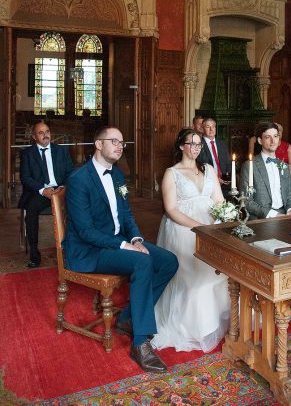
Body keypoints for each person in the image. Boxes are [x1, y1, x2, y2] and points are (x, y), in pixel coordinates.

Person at [63, 126, 178, 372]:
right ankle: (141, 343)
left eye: (122, 143)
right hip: (90, 250)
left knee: (169, 261)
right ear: (98, 144)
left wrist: (135, 239)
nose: (119, 146)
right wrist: (125, 245)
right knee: (142, 261)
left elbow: (126, 214)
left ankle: (127, 318)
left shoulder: (117, 175)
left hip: (118, 242)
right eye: (114, 141)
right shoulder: (78, 179)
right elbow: (85, 231)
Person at [151, 128, 230, 352]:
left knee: (224, 271)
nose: (196, 148)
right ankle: (195, 326)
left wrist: (224, 217)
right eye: (192, 143)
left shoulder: (209, 169)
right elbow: (171, 209)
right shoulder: (172, 173)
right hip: (183, 227)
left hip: (210, 225)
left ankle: (218, 319)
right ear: (181, 146)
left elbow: (219, 200)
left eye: (198, 144)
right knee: (197, 276)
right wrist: (198, 227)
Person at [239, 122, 291, 327]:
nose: (272, 140)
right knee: (286, 259)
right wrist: (272, 215)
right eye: (267, 137)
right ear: (260, 141)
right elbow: (246, 201)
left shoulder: (283, 165)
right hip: (262, 222)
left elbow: (289, 197)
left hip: (285, 219)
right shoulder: (250, 165)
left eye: (275, 136)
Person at [19, 121, 73, 268]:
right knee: (31, 210)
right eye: (41, 133)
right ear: (34, 137)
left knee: (78, 206)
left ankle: (72, 249)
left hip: (60, 190)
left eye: (47, 132)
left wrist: (62, 187)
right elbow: (25, 178)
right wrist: (43, 190)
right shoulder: (27, 154)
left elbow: (70, 172)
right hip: (41, 191)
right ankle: (34, 254)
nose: (45, 135)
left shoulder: (61, 150)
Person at [197, 117, 231, 196]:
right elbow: (198, 167)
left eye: (213, 126)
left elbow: (228, 163)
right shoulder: (198, 144)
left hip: (225, 185)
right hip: (207, 185)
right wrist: (215, 179)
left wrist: (228, 177)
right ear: (202, 129)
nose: (211, 129)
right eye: (208, 127)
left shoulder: (222, 144)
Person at [275, 123, 291, 199]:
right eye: (277, 131)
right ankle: (289, 202)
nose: (279, 132)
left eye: (280, 131)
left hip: (286, 171)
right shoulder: (269, 145)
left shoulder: (287, 146)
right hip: (274, 171)